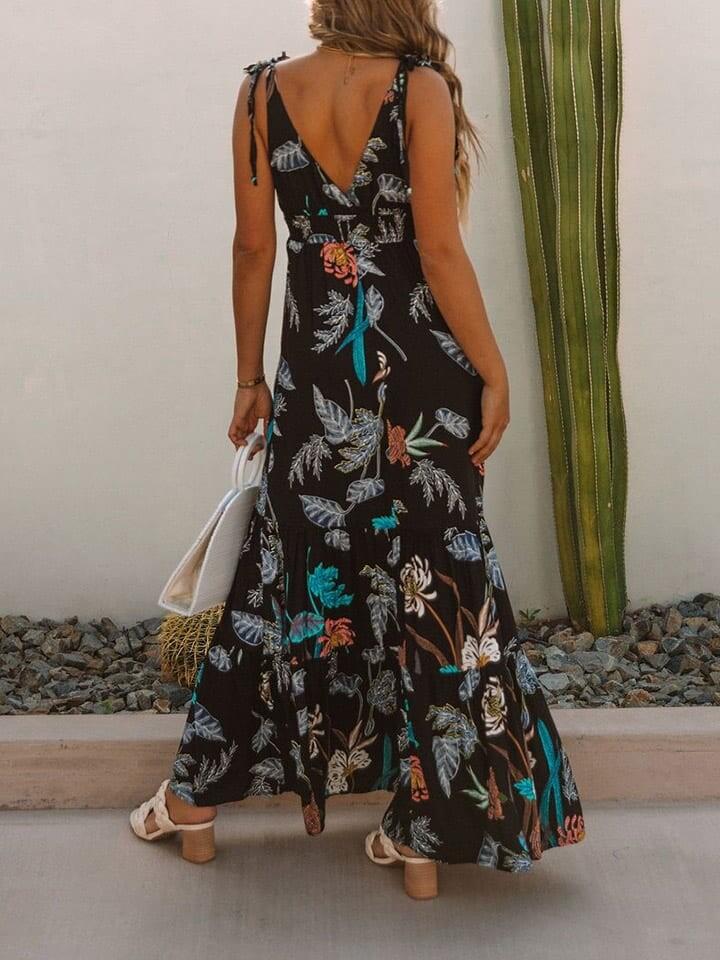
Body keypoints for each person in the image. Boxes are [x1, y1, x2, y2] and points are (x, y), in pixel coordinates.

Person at [130, 0, 586, 900]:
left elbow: (253, 247)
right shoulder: (418, 88)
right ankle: (423, 832)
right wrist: (494, 370)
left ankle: (193, 802)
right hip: (421, 381)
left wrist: (248, 379)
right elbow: (438, 250)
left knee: (288, 579)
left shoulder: (262, 93)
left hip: (315, 381)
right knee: (436, 582)